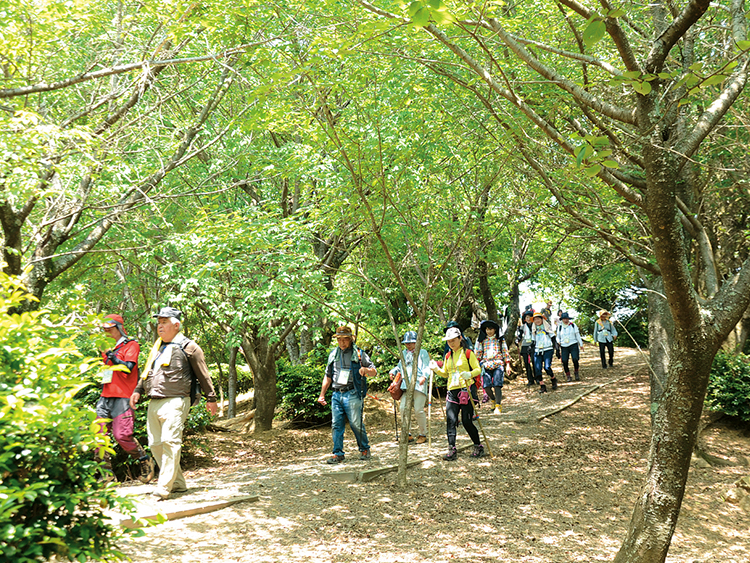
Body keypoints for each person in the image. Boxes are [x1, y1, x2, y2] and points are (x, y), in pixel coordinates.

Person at [130, 307, 218, 500]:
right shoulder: (157, 347)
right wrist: (137, 390)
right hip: (154, 400)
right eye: (158, 323)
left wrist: (211, 399)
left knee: (170, 442)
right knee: (155, 444)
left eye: (164, 323)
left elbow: (204, 375)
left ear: (176, 325)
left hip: (177, 400)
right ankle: (177, 483)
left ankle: (163, 488)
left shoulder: (190, 347)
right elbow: (147, 372)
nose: (159, 327)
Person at [97, 314, 154, 483]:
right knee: (98, 434)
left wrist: (111, 354)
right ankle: (106, 474)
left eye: (110, 328)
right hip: (105, 395)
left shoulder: (131, 344)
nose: (106, 331)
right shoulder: (104, 346)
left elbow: (128, 368)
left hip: (123, 396)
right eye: (104, 328)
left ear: (119, 327)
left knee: (122, 435)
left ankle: (144, 461)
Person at [318, 326, 377, 464]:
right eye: (339, 339)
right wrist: (322, 394)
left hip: (353, 393)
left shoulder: (359, 354)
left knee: (356, 423)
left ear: (350, 339)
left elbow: (374, 371)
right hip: (336, 394)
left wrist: (365, 370)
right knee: (336, 425)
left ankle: (364, 448)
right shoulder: (333, 355)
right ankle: (338, 453)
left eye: (345, 339)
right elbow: (328, 375)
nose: (342, 342)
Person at [430, 327, 485, 460]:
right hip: (452, 390)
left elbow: (478, 369)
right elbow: (445, 373)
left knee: (466, 421)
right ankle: (451, 449)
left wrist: (469, 374)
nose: (451, 343)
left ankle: (478, 445)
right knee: (451, 420)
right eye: (449, 341)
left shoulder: (468, 353)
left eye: (453, 340)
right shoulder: (448, 355)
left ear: (460, 339)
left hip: (466, 389)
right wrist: (436, 369)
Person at [388, 331, 431, 444]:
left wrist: (424, 376)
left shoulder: (422, 353)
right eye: (407, 343)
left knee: (418, 409)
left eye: (411, 342)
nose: (409, 345)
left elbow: (427, 367)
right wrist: (393, 371)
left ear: (416, 342)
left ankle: (423, 433)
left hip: (418, 384)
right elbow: (399, 367)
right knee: (403, 408)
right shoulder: (403, 353)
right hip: (405, 385)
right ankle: (407, 433)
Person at [475, 320, 510, 415]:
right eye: (487, 329)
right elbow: (479, 353)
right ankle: (493, 400)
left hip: (498, 363)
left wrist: (508, 364)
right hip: (486, 364)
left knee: (497, 385)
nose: (489, 331)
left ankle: (498, 405)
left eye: (491, 329)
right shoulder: (482, 340)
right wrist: (476, 364)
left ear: (495, 330)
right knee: (486, 386)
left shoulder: (500, 339)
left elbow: (505, 351)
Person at [532, 311, 558, 393]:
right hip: (538, 350)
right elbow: (533, 341)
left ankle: (553, 379)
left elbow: (553, 338)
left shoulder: (547, 327)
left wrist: (557, 348)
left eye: (538, 319)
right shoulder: (534, 329)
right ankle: (542, 385)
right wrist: (530, 347)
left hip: (548, 349)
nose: (537, 321)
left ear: (542, 319)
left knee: (547, 367)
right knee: (537, 368)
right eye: (535, 319)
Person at [556, 312, 584, 381]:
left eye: (566, 319)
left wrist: (581, 344)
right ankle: (568, 375)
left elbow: (577, 335)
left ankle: (576, 372)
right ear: (562, 319)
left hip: (573, 344)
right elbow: (557, 336)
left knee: (575, 359)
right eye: (564, 319)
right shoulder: (559, 327)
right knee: (564, 361)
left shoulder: (573, 325)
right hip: (564, 345)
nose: (565, 320)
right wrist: (558, 342)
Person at [516, 310, 536, 386]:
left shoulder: (535, 326)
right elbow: (519, 336)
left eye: (530, 317)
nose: (528, 319)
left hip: (534, 345)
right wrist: (517, 340)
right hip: (525, 345)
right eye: (527, 317)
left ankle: (537, 377)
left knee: (534, 362)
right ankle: (530, 379)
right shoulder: (522, 327)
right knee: (527, 363)